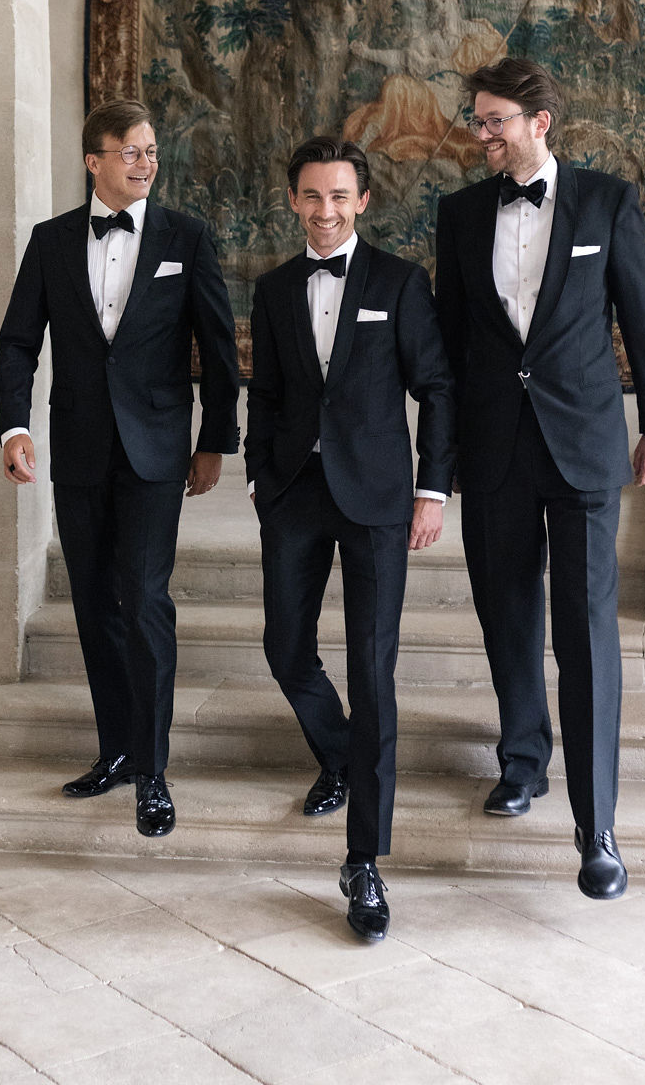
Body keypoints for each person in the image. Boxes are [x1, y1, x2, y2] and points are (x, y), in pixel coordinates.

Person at [435, 58, 645, 900]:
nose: (482, 133)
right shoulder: (459, 213)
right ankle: (521, 762)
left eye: (495, 119)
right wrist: (440, 456)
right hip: (493, 445)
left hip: (582, 447)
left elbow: (641, 317)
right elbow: (451, 344)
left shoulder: (606, 202)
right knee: (505, 615)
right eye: (478, 120)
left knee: (584, 632)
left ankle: (597, 826)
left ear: (540, 121)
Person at [0, 98, 240, 839]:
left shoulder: (185, 238)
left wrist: (214, 443)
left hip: (157, 452)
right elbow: (16, 344)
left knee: (142, 599)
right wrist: (12, 426)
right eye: (130, 151)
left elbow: (218, 352)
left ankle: (154, 774)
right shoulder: (50, 241)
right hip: (77, 450)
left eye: (152, 150)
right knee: (96, 605)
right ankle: (117, 752)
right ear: (93, 160)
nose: (145, 162)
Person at [246, 136, 454, 940]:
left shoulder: (400, 282)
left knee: (373, 673)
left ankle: (363, 860)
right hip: (294, 496)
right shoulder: (272, 289)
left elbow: (433, 389)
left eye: (339, 197)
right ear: (292, 201)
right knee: (283, 647)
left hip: (376, 502)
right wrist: (262, 478)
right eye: (310, 196)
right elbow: (263, 389)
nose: (325, 211)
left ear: (362, 201)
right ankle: (336, 753)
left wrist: (430, 489)